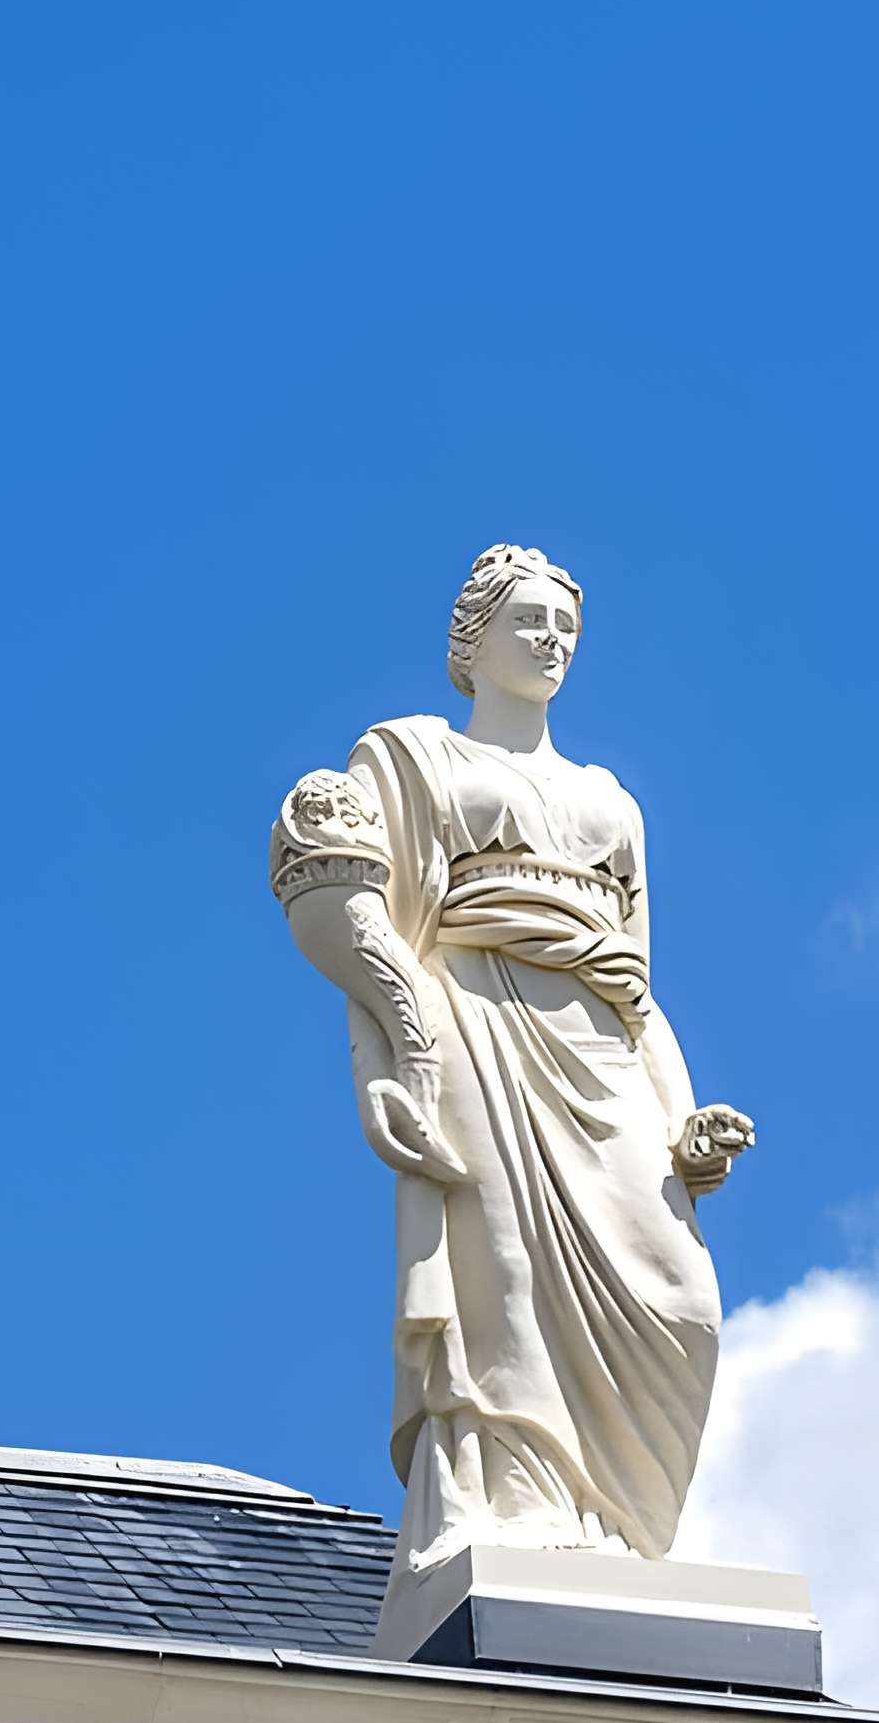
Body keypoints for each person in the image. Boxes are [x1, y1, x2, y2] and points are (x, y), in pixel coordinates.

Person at [270, 543, 753, 1574]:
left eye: (566, 628)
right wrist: (398, 1050)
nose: (551, 641)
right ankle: (517, 1507)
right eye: (529, 621)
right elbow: (350, 907)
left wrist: (685, 1119)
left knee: (682, 1302)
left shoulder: (613, 801)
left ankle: (624, 1533)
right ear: (472, 639)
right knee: (504, 1280)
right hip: (476, 1027)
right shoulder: (411, 757)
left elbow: (636, 989)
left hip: (599, 1052)